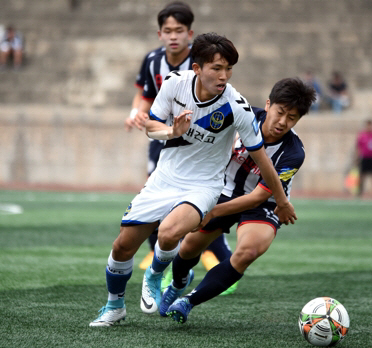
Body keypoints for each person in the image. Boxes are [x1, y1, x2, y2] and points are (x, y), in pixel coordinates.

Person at [89, 32, 297, 327]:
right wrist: (171, 132)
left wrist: (284, 201)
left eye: (228, 69)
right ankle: (114, 307)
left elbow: (263, 161)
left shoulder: (237, 106)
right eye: (217, 68)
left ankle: (155, 275)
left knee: (170, 233)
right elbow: (150, 125)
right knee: (122, 246)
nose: (224, 75)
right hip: (165, 178)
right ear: (197, 68)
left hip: (204, 185)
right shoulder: (175, 84)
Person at [160, 77, 316, 323]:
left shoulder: (294, 153)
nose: (283, 122)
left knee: (248, 251)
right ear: (268, 104)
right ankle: (179, 283)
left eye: (292, 118)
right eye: (281, 112)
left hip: (263, 204)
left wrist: (211, 213)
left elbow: (257, 197)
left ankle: (188, 301)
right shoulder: (241, 115)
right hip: (220, 189)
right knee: (189, 247)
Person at [123, 2, 233, 281]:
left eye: (179, 30)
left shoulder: (202, 63)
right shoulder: (152, 60)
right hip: (164, 136)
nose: (173, 36)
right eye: (167, 30)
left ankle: (217, 255)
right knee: (156, 192)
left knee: (198, 201)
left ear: (189, 33)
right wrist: (136, 112)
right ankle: (157, 252)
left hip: (200, 141)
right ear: (159, 34)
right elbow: (145, 96)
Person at [356, 119, 372, 197]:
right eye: (368, 125)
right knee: (362, 175)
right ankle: (359, 191)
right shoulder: (362, 135)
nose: (369, 127)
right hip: (364, 157)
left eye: (371, 125)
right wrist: (357, 158)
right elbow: (358, 147)